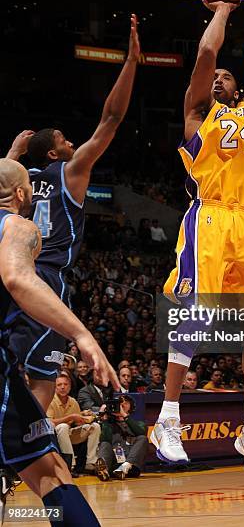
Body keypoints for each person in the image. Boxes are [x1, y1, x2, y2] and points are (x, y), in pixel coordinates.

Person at [151, 0, 244, 476]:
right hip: (210, 218)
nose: (220, 76)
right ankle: (168, 418)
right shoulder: (199, 113)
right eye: (217, 76)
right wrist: (222, 7)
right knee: (197, 314)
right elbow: (206, 52)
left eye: (228, 74)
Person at [6, 15, 140, 412]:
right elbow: (111, 120)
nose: (72, 143)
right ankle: (24, 451)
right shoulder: (70, 173)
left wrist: (13, 152)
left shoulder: (17, 179)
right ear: (53, 154)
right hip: (45, 279)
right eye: (65, 141)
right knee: (43, 377)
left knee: (11, 369)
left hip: (9, 274)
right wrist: (131, 62)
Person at [0, 157, 119, 524]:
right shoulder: (19, 227)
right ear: (21, 194)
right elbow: (18, 278)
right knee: (52, 474)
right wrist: (81, 334)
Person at [47, 372, 101, 476]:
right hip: (54, 436)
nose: (63, 387)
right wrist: (71, 417)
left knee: (95, 426)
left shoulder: (73, 401)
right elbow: (49, 422)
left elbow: (77, 422)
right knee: (63, 427)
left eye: (65, 384)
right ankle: (70, 464)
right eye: (59, 385)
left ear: (70, 387)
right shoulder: (50, 400)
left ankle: (91, 463)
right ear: (55, 387)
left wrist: (85, 417)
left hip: (70, 434)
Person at [96, 395, 148, 481]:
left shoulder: (139, 423)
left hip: (131, 466)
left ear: (131, 406)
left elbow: (141, 432)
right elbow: (105, 439)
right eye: (120, 403)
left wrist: (124, 415)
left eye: (126, 403)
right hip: (113, 464)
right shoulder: (108, 424)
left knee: (143, 438)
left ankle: (124, 467)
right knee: (105, 443)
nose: (122, 405)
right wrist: (105, 419)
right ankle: (103, 471)